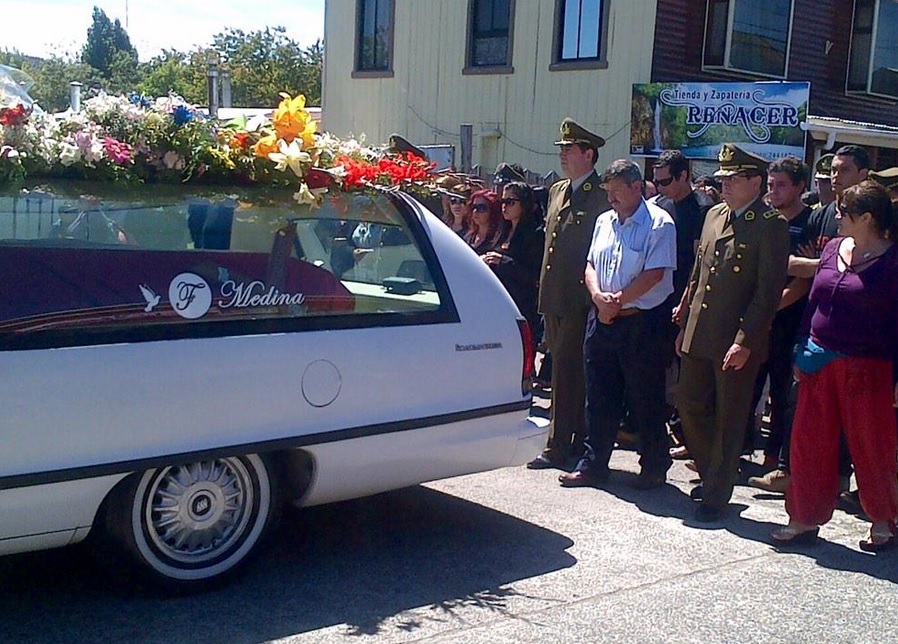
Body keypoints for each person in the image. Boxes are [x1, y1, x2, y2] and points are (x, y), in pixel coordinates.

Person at [771, 181, 898, 550]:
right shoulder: (830, 250)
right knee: (808, 443)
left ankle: (883, 520)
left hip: (869, 367)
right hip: (817, 360)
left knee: (872, 447)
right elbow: (813, 304)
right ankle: (803, 519)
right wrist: (800, 348)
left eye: (845, 213)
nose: (837, 217)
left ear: (868, 218)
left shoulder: (892, 262)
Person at [675, 143, 790, 522]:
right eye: (722, 177)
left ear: (755, 182)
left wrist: (745, 342)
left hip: (735, 338)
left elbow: (767, 292)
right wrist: (685, 315)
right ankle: (714, 473)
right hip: (700, 331)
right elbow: (699, 270)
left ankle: (717, 493)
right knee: (689, 405)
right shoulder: (713, 216)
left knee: (729, 417)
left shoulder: (770, 226)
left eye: (733, 178)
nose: (724, 184)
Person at [557, 159, 676, 490]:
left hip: (641, 322)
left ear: (636, 188)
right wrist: (598, 298)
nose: (610, 198)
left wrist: (617, 301)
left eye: (615, 191)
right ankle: (594, 464)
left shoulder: (659, 224)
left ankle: (654, 464)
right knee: (598, 396)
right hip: (603, 318)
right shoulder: (604, 222)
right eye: (607, 191)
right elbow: (591, 264)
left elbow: (655, 274)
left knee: (645, 397)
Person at [527, 118, 610, 470]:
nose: (562, 155)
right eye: (561, 149)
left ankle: (561, 445)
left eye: (569, 150)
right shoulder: (558, 190)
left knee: (568, 372)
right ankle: (568, 438)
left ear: (588, 154)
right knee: (561, 370)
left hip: (580, 297)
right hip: (555, 295)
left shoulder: (602, 195)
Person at [742, 157, 814, 489]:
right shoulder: (762, 219)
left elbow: (802, 282)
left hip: (787, 321)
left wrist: (770, 310)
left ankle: (775, 460)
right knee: (746, 387)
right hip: (755, 319)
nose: (774, 191)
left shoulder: (809, 223)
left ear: (800, 187)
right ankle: (738, 451)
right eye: (770, 185)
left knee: (783, 393)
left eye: (782, 185)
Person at [653, 150, 710, 460]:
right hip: (658, 299)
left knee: (687, 376)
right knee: (658, 369)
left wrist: (687, 304)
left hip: (687, 301)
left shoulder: (702, 210)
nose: (660, 187)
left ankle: (689, 436)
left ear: (684, 176)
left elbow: (701, 263)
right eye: (656, 181)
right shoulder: (660, 207)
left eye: (666, 181)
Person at [482, 181, 545, 340]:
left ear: (523, 204)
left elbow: (533, 276)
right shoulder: (502, 230)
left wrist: (503, 261)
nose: (504, 207)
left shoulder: (535, 234)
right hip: (498, 302)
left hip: (521, 305)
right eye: (502, 202)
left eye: (510, 202)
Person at [464, 189, 502, 254]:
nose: (475, 211)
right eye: (473, 207)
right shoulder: (468, 237)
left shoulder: (498, 239)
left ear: (492, 211)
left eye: (481, 208)